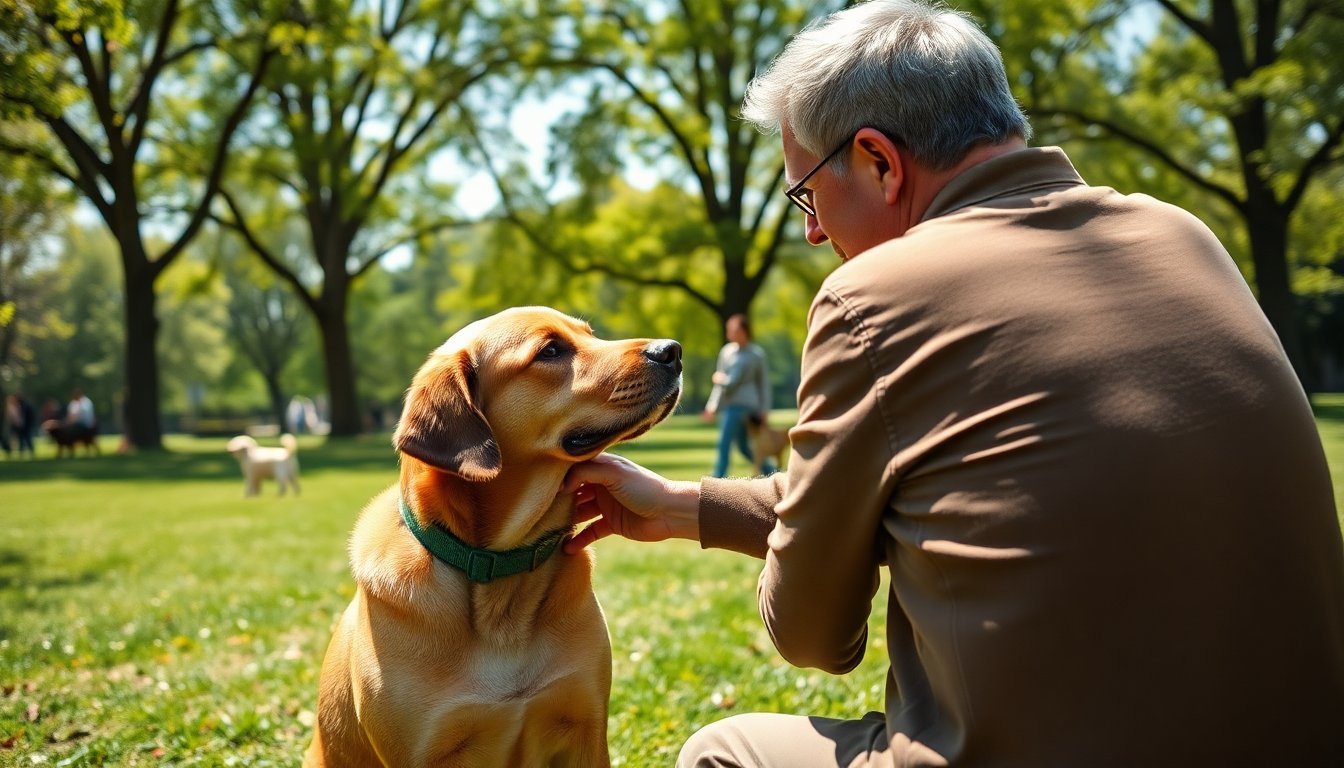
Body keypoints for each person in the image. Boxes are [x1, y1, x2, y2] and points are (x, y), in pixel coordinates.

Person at [559, 1, 1344, 765]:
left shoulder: (872, 298)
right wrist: (683, 509)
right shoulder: (1181, 234)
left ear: (878, 160)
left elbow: (814, 635)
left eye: (807, 193)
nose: (812, 230)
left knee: (720, 748)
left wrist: (819, 552)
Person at [703, 314, 773, 477]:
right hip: (730, 404)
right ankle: (771, 471)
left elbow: (763, 383)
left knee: (725, 443)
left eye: (733, 330)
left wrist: (764, 409)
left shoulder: (756, 354)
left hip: (748, 406)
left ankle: (717, 479)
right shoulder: (726, 352)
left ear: (744, 331)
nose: (729, 333)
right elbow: (719, 386)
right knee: (742, 446)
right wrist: (711, 406)